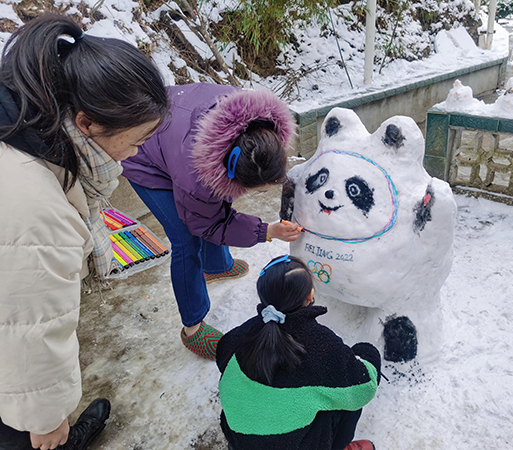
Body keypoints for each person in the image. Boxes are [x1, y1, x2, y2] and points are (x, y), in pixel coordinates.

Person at [0, 14, 169, 450]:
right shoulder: (36, 207)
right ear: (88, 124)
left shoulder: (25, 130)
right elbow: (31, 325)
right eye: (137, 139)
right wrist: (45, 417)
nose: (138, 152)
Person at [121, 83, 302, 361]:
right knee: (185, 238)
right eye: (261, 189)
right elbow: (208, 223)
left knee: (214, 199)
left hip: (170, 131)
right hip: (143, 156)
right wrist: (267, 231)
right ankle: (192, 329)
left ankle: (216, 265)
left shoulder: (251, 122)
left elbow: (218, 201)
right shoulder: (196, 180)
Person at [216, 255, 381, 450]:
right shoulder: (321, 347)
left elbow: (222, 358)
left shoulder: (237, 336)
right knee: (347, 392)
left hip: (240, 440)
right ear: (310, 296)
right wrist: (365, 353)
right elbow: (365, 386)